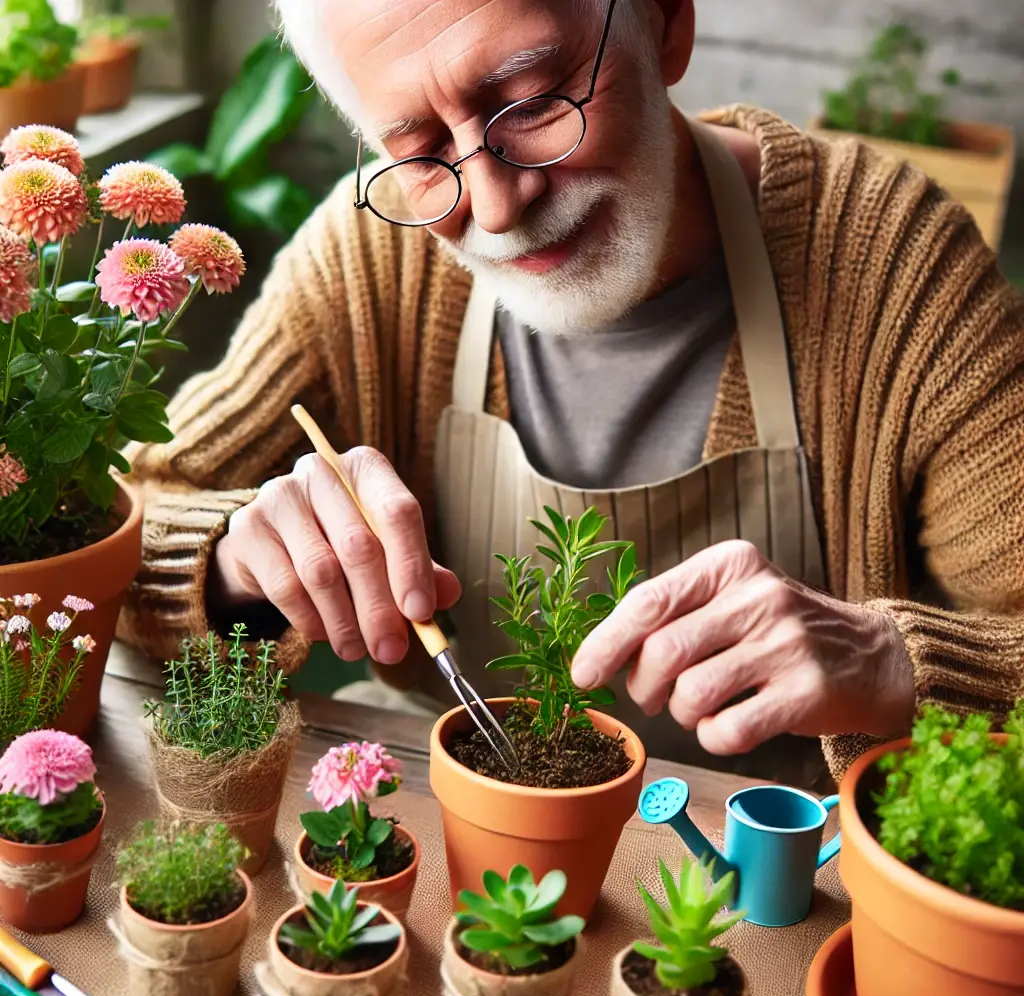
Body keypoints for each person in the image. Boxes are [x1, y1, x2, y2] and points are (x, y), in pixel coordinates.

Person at [121, 0, 1024, 788]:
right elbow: (125, 523)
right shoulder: (374, 260)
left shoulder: (893, 266)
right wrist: (232, 564)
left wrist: (893, 661)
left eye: (532, 101)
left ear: (667, 21)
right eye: (423, 153)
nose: (497, 204)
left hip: (791, 880)